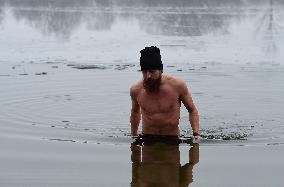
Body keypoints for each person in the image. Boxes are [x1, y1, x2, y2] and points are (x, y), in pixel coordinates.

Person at [130, 46, 200, 142]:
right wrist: (133, 136)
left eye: (152, 71)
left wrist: (196, 134)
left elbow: (192, 110)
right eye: (145, 72)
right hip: (147, 138)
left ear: (160, 70)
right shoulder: (136, 90)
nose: (148, 76)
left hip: (172, 138)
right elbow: (135, 112)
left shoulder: (177, 85)